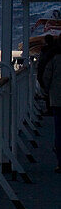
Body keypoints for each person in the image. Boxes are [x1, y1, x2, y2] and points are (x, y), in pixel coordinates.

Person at [38, 35, 61, 172]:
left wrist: (46, 91)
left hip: (57, 100)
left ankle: (60, 162)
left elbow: (46, 76)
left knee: (59, 130)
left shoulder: (54, 57)